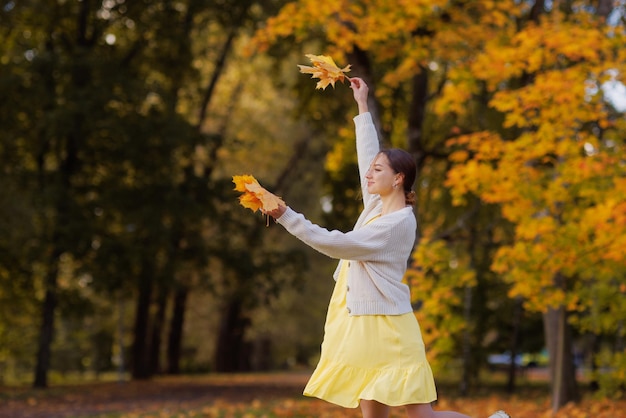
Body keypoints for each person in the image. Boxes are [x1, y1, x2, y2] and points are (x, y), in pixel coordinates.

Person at [261, 77, 510, 418]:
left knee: (423, 417)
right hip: (363, 325)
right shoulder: (378, 207)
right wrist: (362, 106)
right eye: (371, 170)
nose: (368, 174)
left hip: (391, 329)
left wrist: (286, 215)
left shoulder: (396, 224)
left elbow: (338, 244)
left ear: (398, 179)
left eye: (378, 170)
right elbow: (368, 156)